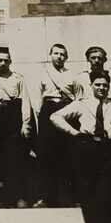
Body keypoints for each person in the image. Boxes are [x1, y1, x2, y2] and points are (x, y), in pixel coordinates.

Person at [51, 71, 111, 223]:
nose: (101, 88)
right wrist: (74, 133)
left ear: (109, 87)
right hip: (87, 148)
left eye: (105, 85)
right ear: (91, 85)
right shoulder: (82, 103)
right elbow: (55, 116)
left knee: (105, 196)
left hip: (108, 150)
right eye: (98, 85)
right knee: (88, 197)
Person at [0, 51, 31, 208]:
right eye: (0, 60)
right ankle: (1, 198)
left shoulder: (18, 79)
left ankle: (18, 197)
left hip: (13, 116)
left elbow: (25, 103)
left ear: (10, 62)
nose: (3, 63)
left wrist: (25, 124)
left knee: (15, 158)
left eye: (6, 61)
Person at [32, 43, 79, 207]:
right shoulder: (42, 73)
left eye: (62, 54)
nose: (59, 57)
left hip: (66, 110)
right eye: (56, 53)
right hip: (48, 109)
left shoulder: (72, 75)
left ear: (66, 57)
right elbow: (37, 98)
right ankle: (45, 197)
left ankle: (67, 197)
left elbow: (77, 97)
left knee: (67, 154)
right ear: (50, 55)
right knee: (46, 155)